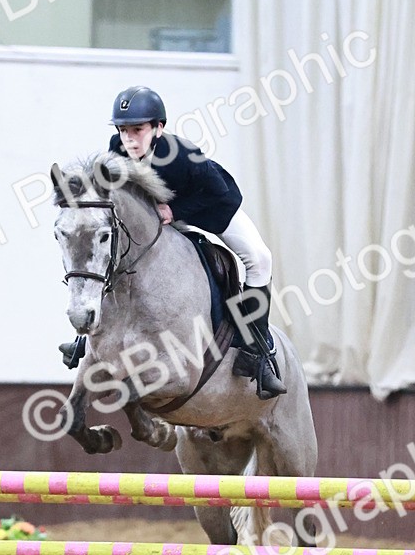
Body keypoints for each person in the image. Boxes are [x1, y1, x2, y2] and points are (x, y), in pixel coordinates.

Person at [107, 84, 286, 399]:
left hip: (213, 206)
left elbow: (217, 191)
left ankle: (256, 353)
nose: (129, 139)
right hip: (163, 213)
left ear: (158, 128)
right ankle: (89, 340)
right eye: (123, 131)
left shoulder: (182, 154)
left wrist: (175, 210)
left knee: (261, 259)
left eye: (137, 130)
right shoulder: (117, 148)